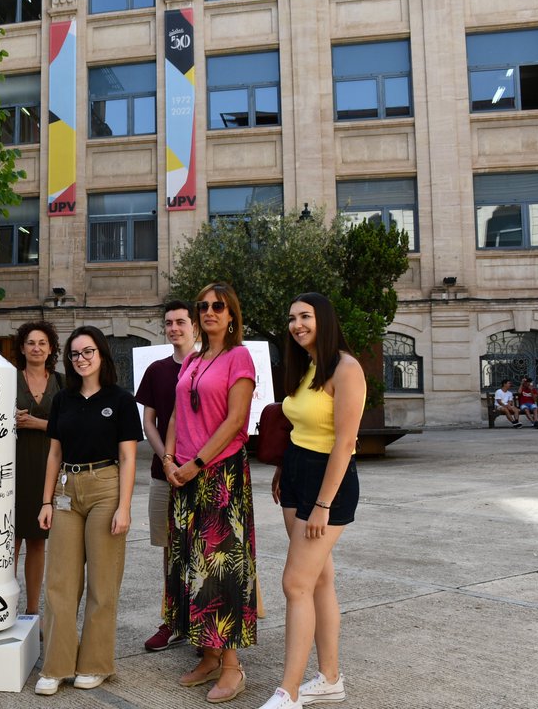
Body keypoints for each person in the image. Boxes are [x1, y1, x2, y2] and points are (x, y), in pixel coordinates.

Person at [257, 293, 365, 709]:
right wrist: (285, 468)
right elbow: (300, 426)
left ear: (324, 319)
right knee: (318, 579)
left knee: (295, 583)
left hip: (329, 483)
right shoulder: (307, 368)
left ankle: (289, 692)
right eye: (291, 318)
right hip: (298, 472)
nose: (297, 324)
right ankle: (331, 679)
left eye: (305, 316)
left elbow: (345, 443)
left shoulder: (346, 368)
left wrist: (323, 504)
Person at [162, 285, 258, 703]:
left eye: (218, 306)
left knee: (222, 569)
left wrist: (195, 463)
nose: (209, 312)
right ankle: (208, 654)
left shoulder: (240, 357)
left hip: (220, 477)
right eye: (202, 306)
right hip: (183, 476)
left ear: (232, 314)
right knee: (189, 566)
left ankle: (233, 667)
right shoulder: (194, 359)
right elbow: (177, 413)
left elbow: (237, 418)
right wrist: (168, 459)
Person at [34, 327, 141, 696]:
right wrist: (46, 501)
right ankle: (56, 665)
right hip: (66, 490)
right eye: (75, 354)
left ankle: (95, 663)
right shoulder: (63, 399)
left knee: (102, 581)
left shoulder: (121, 399)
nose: (81, 359)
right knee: (60, 582)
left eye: (88, 351)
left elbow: (128, 457)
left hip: (106, 487)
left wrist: (124, 507)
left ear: (102, 354)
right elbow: (54, 454)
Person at [135, 299, 196, 653]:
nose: (174, 328)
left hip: (202, 474)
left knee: (201, 549)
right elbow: (149, 422)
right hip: (163, 475)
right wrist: (167, 460)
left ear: (194, 327)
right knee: (170, 550)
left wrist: (191, 464)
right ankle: (173, 621)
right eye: (169, 323)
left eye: (181, 322)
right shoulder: (157, 370)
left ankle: (202, 622)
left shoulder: (208, 366)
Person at [13, 320, 62, 615]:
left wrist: (36, 423)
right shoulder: (7, 379)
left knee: (37, 542)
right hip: (13, 468)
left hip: (48, 468)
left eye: (42, 343)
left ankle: (32, 611)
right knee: (9, 545)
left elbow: (69, 426)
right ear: (22, 347)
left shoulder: (63, 382)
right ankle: (5, 607)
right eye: (31, 342)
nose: (36, 348)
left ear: (51, 349)